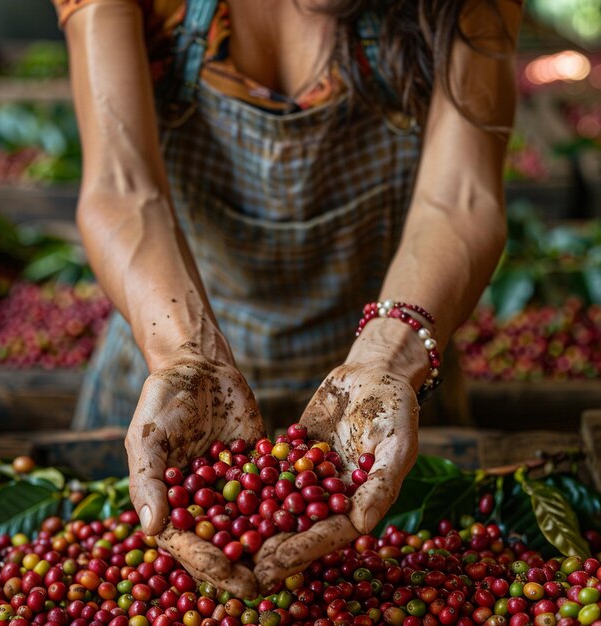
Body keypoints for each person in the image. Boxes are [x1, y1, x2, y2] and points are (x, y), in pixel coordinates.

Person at [53, 0, 523, 598]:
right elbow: (121, 187)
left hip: (383, 397)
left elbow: (461, 197)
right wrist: (186, 354)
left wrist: (384, 358)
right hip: (167, 370)